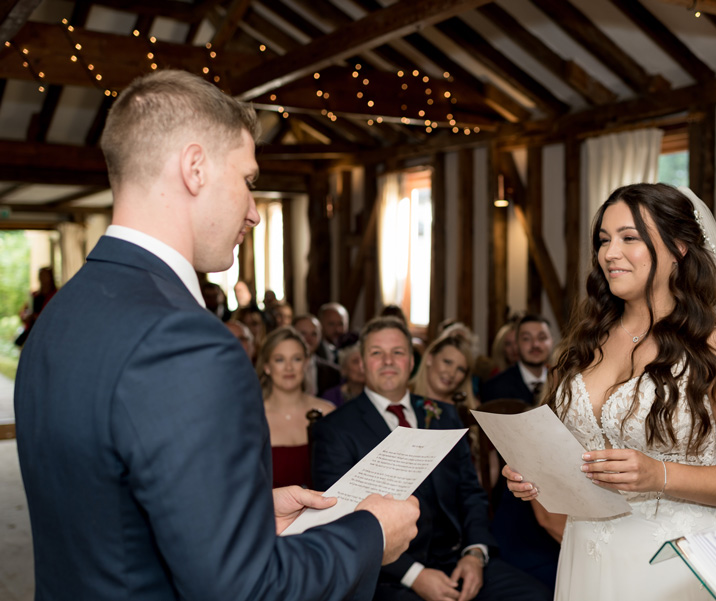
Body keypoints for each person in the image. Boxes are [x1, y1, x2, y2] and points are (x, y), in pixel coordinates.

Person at [14, 69, 419, 601]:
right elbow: (245, 590)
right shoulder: (185, 340)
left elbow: (109, 512)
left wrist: (241, 516)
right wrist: (370, 533)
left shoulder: (64, 312)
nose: (253, 211)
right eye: (248, 181)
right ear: (195, 168)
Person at [504, 183, 716, 601]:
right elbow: (570, 450)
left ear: (679, 248)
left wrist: (661, 475)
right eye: (604, 240)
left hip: (674, 565)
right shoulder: (584, 343)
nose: (609, 253)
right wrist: (536, 473)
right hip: (587, 554)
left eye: (630, 238)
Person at [312, 316, 552, 601]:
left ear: (412, 362)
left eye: (398, 352)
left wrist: (475, 553)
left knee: (536, 596)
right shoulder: (335, 429)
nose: (388, 361)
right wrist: (414, 575)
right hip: (389, 574)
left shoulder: (443, 414)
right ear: (362, 363)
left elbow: (470, 492)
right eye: (377, 353)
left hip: (457, 559)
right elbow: (343, 516)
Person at [258, 326, 334, 489]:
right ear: (267, 366)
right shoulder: (253, 418)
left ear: (306, 363)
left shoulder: (328, 413)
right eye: (279, 359)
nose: (289, 367)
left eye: (296, 359)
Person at [480, 314, 553, 404]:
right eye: (526, 339)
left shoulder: (564, 384)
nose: (535, 344)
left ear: (552, 341)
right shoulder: (494, 388)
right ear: (517, 344)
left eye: (542, 338)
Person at [409, 326, 477, 409]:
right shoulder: (402, 396)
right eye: (447, 362)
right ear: (429, 358)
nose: (452, 374)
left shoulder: (469, 411)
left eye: (460, 369)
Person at [292, 313, 342, 395]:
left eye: (314, 334)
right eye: (303, 334)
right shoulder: (282, 369)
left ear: (320, 337)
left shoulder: (333, 373)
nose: (308, 339)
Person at [15, 266, 57, 347]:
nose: (43, 278)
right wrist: (26, 317)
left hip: (47, 334)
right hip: (32, 333)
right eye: (41, 275)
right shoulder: (34, 295)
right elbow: (23, 312)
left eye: (45, 276)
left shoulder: (56, 295)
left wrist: (37, 317)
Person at [321, 341, 366, 407]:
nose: (361, 366)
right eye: (355, 362)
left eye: (364, 362)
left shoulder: (378, 394)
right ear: (344, 369)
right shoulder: (330, 397)